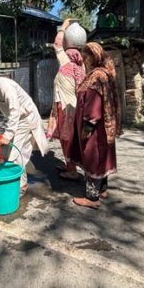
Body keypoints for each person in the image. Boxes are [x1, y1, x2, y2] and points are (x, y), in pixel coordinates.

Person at [0, 65, 48, 197]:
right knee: (13, 152)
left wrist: (7, 135)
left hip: (25, 118)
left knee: (14, 154)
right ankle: (14, 180)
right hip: (16, 120)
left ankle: (21, 186)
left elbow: (15, 111)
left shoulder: (6, 86)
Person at [68, 42, 122, 209]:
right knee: (102, 158)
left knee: (93, 157)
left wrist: (88, 127)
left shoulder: (96, 77)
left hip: (95, 128)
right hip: (104, 128)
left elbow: (94, 105)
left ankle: (92, 198)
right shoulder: (105, 73)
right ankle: (103, 189)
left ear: (93, 57)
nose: (84, 61)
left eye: (86, 57)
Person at [46, 19, 85, 180]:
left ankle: (72, 171)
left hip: (66, 108)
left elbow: (57, 44)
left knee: (67, 139)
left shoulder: (66, 61)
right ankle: (70, 165)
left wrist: (63, 27)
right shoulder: (81, 65)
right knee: (67, 138)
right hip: (72, 107)